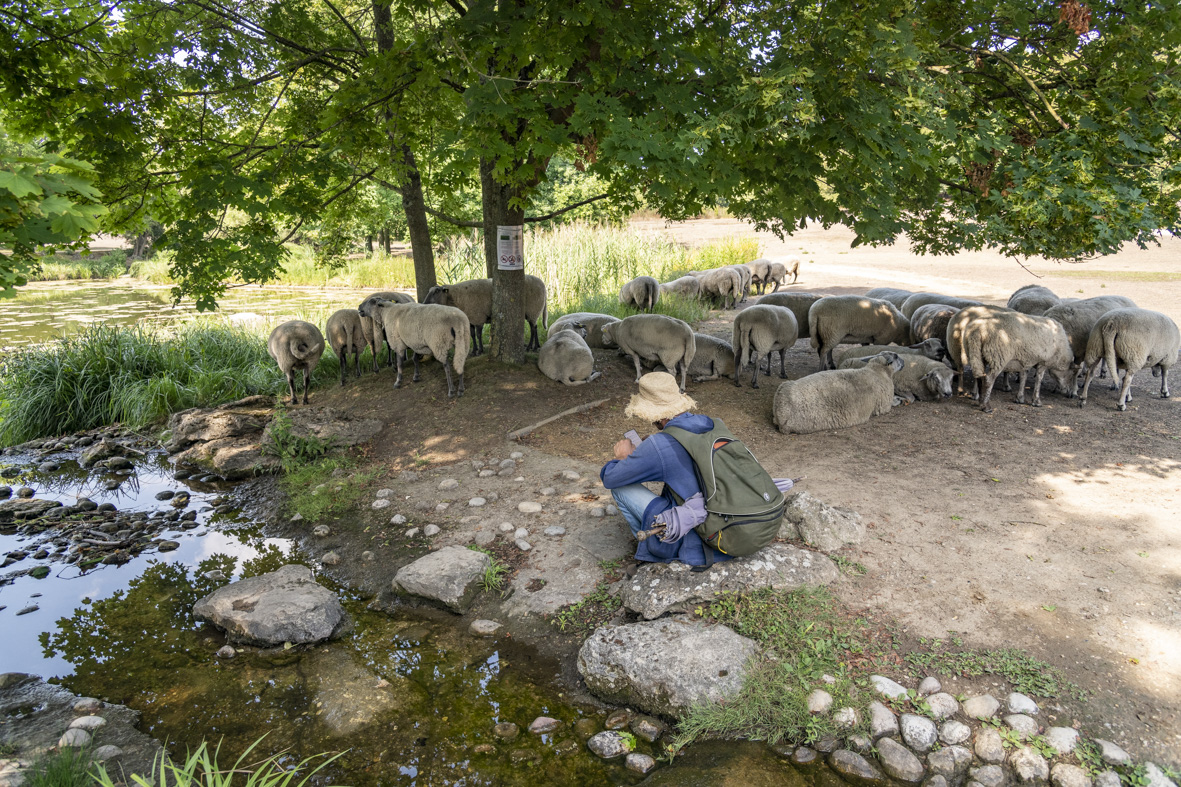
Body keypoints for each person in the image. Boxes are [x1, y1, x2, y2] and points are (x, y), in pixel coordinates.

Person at [598, 372, 730, 567]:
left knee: (620, 488)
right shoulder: (711, 424)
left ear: (654, 414)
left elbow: (610, 478)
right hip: (728, 519)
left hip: (697, 534)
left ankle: (653, 551)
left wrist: (622, 459)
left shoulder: (660, 445)